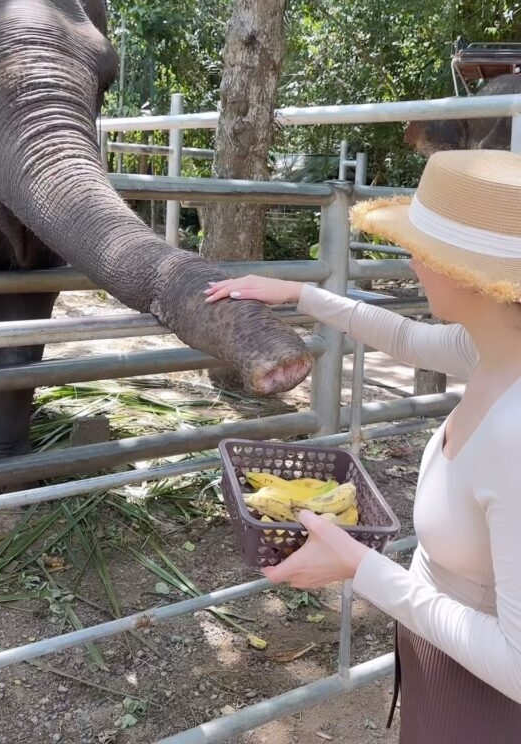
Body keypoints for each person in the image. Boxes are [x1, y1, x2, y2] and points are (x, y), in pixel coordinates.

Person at [205, 149, 521, 743]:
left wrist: (362, 567)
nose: (409, 259)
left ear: (469, 275)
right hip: (439, 661)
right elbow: (406, 336)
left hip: (485, 707)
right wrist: (297, 294)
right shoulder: (494, 348)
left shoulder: (516, 431)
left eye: (423, 250)